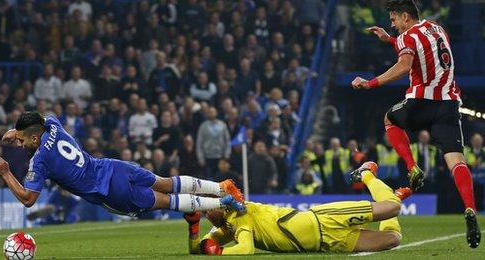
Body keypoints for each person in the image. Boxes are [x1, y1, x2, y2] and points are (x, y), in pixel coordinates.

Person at [350, 0, 480, 248]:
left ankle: (412, 168)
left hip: (421, 101)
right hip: (449, 103)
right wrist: (390, 39)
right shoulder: (437, 28)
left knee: (389, 118)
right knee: (456, 162)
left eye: (394, 20)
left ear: (405, 17)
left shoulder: (408, 36)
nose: (393, 24)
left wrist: (371, 82)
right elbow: (416, 45)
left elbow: (405, 64)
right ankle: (470, 208)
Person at [0, 112, 245, 217]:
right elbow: (42, 117)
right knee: (167, 182)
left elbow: (28, 199)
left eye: (22, 140)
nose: (20, 145)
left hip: (110, 191)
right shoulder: (54, 126)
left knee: (167, 201)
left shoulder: (40, 161)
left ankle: (224, 204)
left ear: (34, 136)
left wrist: (5, 172)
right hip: (115, 167)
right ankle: (223, 187)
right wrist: (16, 129)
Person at [183, 162, 413, 255]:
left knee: (392, 208)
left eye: (207, 207)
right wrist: (193, 227)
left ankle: (366, 174)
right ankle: (394, 194)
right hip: (327, 243)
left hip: (324, 220)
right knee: (393, 239)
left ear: (222, 205)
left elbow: (245, 250)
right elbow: (198, 249)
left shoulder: (239, 215)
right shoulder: (226, 228)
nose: (206, 213)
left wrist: (219, 252)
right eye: (203, 210)